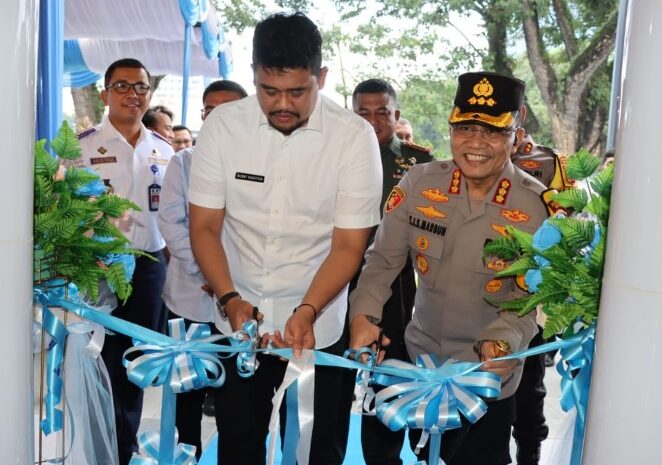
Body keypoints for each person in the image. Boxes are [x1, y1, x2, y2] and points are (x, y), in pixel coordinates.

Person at [188, 12, 382, 465]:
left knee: (318, 448)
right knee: (238, 442)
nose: (282, 105)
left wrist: (308, 309)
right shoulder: (222, 128)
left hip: (319, 323)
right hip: (240, 322)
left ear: (322, 77)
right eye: (268, 91)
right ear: (252, 77)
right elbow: (204, 227)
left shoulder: (354, 139)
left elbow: (349, 245)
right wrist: (230, 300)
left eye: (297, 91)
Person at [349, 71, 549, 465]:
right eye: (465, 128)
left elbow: (532, 299)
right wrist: (364, 315)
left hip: (488, 373)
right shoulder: (420, 185)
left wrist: (503, 340)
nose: (475, 144)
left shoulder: (536, 207)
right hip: (420, 363)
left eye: (492, 132)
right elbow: (383, 261)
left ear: (516, 128)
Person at [73, 58, 174, 465]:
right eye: (122, 86)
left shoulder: (164, 150)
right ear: (104, 94)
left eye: (140, 87)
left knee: (135, 360)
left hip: (148, 265)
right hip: (96, 264)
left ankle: (123, 447)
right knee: (96, 355)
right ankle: (92, 444)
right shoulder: (82, 147)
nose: (133, 94)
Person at [157, 79, 247, 459]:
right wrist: (209, 273)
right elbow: (171, 223)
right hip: (191, 299)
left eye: (227, 109)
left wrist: (231, 281)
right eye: (210, 110)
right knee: (186, 398)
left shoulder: (263, 162)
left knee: (236, 401)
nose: (217, 118)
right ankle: (186, 455)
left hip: (242, 301)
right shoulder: (184, 162)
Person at [352, 78, 433, 465]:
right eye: (362, 113)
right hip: (342, 278)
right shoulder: (337, 154)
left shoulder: (419, 163)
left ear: (396, 115)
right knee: (356, 375)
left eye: (381, 112)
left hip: (400, 284)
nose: (372, 121)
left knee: (399, 367)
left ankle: (416, 451)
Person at [510, 133, 574, 465]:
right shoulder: (471, 160)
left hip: (531, 290)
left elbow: (570, 221)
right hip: (476, 288)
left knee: (528, 383)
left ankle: (529, 450)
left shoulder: (551, 164)